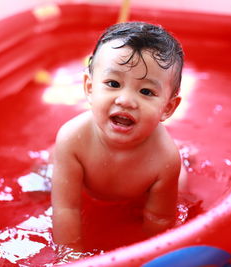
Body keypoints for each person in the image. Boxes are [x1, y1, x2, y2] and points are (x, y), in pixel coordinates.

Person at [51, 21, 184, 253]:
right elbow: (66, 209)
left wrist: (147, 256)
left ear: (168, 108)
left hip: (139, 196)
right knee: (40, 182)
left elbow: (160, 219)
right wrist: (70, 256)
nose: (125, 100)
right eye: (113, 84)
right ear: (90, 88)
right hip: (81, 187)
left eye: (146, 91)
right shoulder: (72, 140)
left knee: (184, 187)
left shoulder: (165, 159)